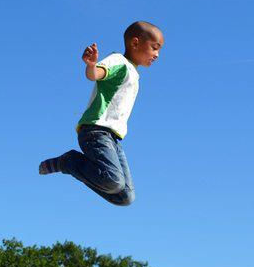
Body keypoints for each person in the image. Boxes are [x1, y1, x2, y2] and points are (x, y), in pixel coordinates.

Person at [39, 21, 164, 206]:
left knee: (125, 197)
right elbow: (95, 74)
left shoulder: (134, 72)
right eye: (154, 48)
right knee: (114, 181)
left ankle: (80, 167)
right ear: (135, 43)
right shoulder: (119, 61)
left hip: (113, 138)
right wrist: (91, 65)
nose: (157, 55)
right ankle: (69, 162)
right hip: (96, 131)